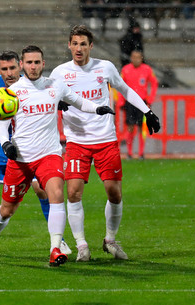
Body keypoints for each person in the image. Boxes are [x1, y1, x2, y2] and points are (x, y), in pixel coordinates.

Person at [0, 45, 115, 266]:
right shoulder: (12, 92)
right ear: (22, 65)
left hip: (49, 154)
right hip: (21, 158)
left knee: (56, 195)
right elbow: (3, 127)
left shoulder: (55, 85)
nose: (33, 67)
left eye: (37, 62)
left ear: (44, 64)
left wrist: (98, 108)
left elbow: (78, 101)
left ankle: (55, 248)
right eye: (29, 63)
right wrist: (6, 145)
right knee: (7, 209)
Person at [50, 25, 160, 262]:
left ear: (91, 46)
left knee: (114, 193)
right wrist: (55, 103)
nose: (78, 48)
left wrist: (147, 111)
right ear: (69, 45)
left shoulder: (105, 67)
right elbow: (47, 96)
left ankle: (110, 240)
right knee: (73, 193)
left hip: (106, 140)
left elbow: (126, 90)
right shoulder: (59, 73)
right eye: (75, 43)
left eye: (83, 44)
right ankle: (81, 245)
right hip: (77, 142)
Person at [0, 51, 72, 256]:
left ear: (20, 67)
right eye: (4, 69)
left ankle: (59, 241)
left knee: (42, 190)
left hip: (27, 144)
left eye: (13, 68)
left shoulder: (32, 84)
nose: (9, 73)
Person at [118, 50, 158, 159]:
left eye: (138, 57)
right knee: (130, 127)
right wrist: (121, 101)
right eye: (134, 57)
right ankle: (130, 153)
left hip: (142, 102)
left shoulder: (147, 69)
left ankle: (141, 153)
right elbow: (120, 86)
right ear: (131, 58)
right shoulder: (126, 70)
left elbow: (154, 83)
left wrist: (150, 100)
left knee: (142, 127)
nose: (136, 59)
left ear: (141, 58)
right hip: (130, 103)